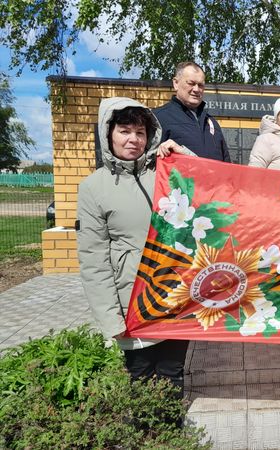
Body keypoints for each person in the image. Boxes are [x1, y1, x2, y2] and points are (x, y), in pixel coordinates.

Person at [77, 97, 196, 397]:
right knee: (140, 377)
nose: (133, 139)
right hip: (131, 301)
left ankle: (173, 428)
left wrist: (182, 154)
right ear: (108, 133)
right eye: (124, 131)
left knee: (172, 373)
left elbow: (207, 182)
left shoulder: (165, 173)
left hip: (173, 295)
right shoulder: (93, 188)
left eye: (140, 132)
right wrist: (110, 318)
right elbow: (93, 260)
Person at [154, 61, 231, 162]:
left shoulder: (212, 123)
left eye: (201, 85)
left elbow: (226, 164)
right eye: (191, 83)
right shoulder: (158, 118)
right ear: (176, 83)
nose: (196, 89)